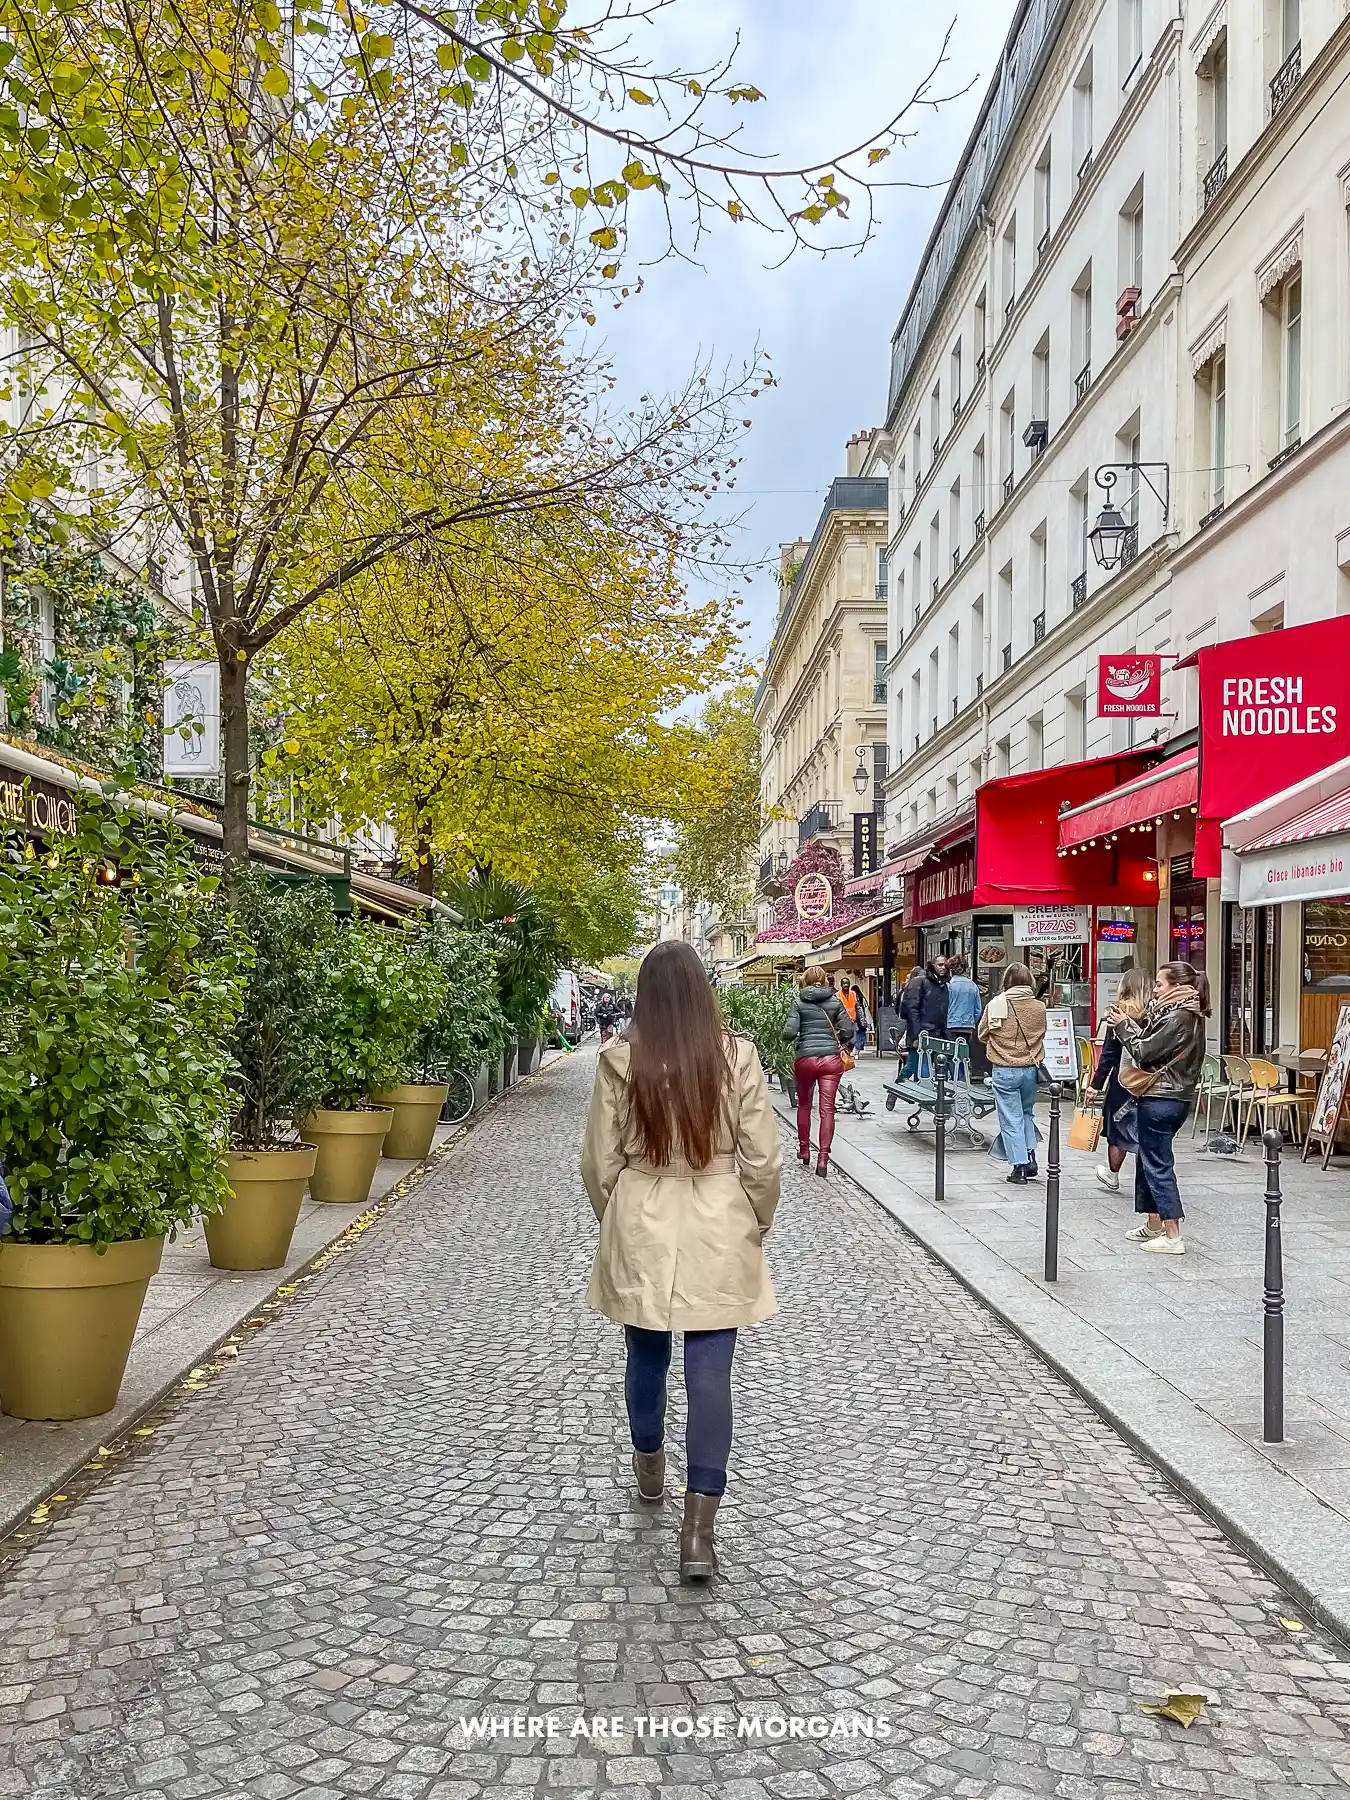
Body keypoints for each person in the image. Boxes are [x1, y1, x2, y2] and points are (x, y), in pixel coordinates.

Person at [580, 941, 782, 1583]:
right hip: (718, 1215)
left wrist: (619, 1216)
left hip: (643, 1209)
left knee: (645, 1354)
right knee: (709, 1371)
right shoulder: (736, 1058)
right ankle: (698, 1535)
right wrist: (755, 1220)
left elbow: (599, 1162)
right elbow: (763, 1159)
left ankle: (649, 1475)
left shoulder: (620, 1061)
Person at [1106, 961, 1209, 1255]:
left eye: (1159, 984)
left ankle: (1173, 1234)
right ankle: (1153, 1224)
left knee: (1158, 1164)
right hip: (1169, 1096)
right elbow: (1154, 1045)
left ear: (1177, 987)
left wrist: (1123, 1027)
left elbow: (1143, 1051)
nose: (1154, 990)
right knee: (1147, 1158)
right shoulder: (1180, 1015)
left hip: (1163, 1099)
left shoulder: (1179, 1016)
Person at [978, 963, 1047, 1184]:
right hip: (1030, 1069)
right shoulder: (1039, 1007)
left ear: (1006, 981)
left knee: (1010, 1119)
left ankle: (1019, 1167)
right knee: (1026, 1114)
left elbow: (981, 1034)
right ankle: (1031, 1156)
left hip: (1005, 1069)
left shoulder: (996, 1005)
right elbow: (1042, 1032)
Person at [1085, 967, 1152, 1193]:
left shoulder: (1118, 1014)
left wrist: (1095, 1085)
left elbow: (1109, 1054)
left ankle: (1113, 1175)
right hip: (1149, 1082)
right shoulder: (1155, 1015)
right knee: (1146, 1130)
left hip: (1123, 1081)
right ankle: (1150, 1176)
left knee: (1116, 1130)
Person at [782, 965, 852, 1177]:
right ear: (825, 980)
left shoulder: (799, 1002)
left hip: (805, 1059)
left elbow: (789, 1033)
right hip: (831, 1059)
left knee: (804, 1104)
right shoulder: (835, 1001)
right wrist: (838, 1040)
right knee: (827, 1109)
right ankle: (823, 1158)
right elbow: (848, 1030)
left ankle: (804, 1149)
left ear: (805, 980)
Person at [944, 956, 981, 1073]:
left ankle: (958, 1079)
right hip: (967, 1026)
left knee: (951, 1055)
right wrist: (972, 1021)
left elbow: (944, 1006)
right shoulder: (973, 986)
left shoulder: (949, 985)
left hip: (951, 1024)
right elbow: (978, 1009)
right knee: (964, 1055)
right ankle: (964, 1078)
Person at [898, 964, 925, 1078]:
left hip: (912, 1030)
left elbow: (901, 1012)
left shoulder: (905, 990)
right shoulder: (914, 991)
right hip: (917, 1032)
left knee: (917, 1063)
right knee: (916, 1063)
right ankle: (896, 1089)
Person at [848, 983, 872, 1056]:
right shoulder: (862, 999)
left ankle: (853, 1050)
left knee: (853, 1036)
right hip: (861, 1020)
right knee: (861, 1036)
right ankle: (857, 1051)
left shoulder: (850, 999)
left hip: (852, 1020)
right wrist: (869, 1022)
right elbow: (866, 1010)